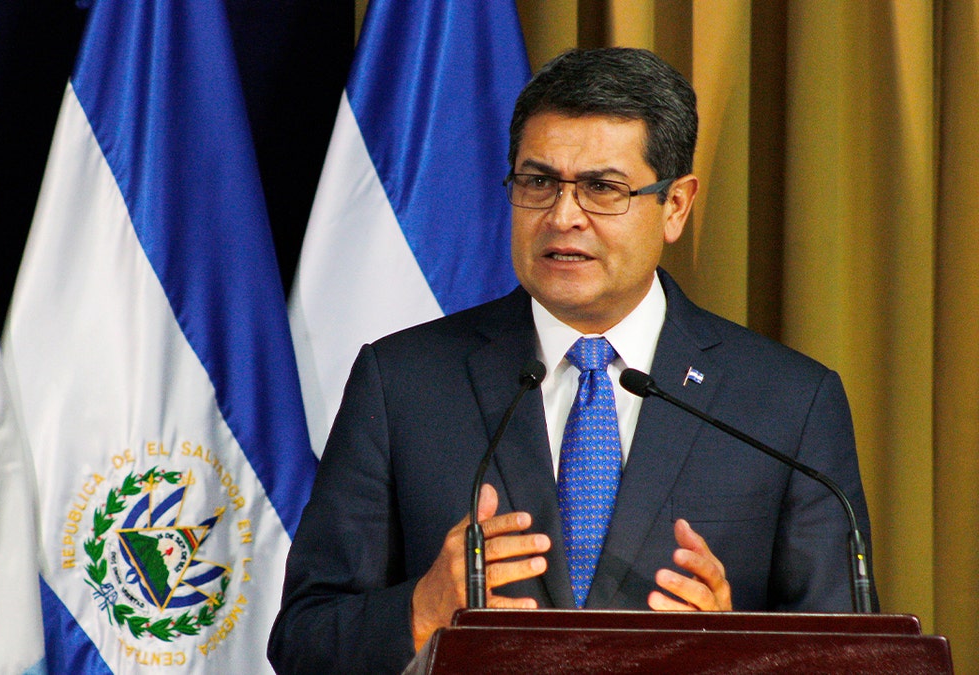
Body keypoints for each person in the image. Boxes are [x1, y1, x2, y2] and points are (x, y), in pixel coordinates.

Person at [268, 47, 875, 674]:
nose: (562, 217)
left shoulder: (788, 403)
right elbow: (303, 641)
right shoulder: (402, 383)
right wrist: (422, 609)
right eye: (537, 182)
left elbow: (854, 659)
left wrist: (736, 653)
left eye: (602, 188)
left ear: (675, 206)